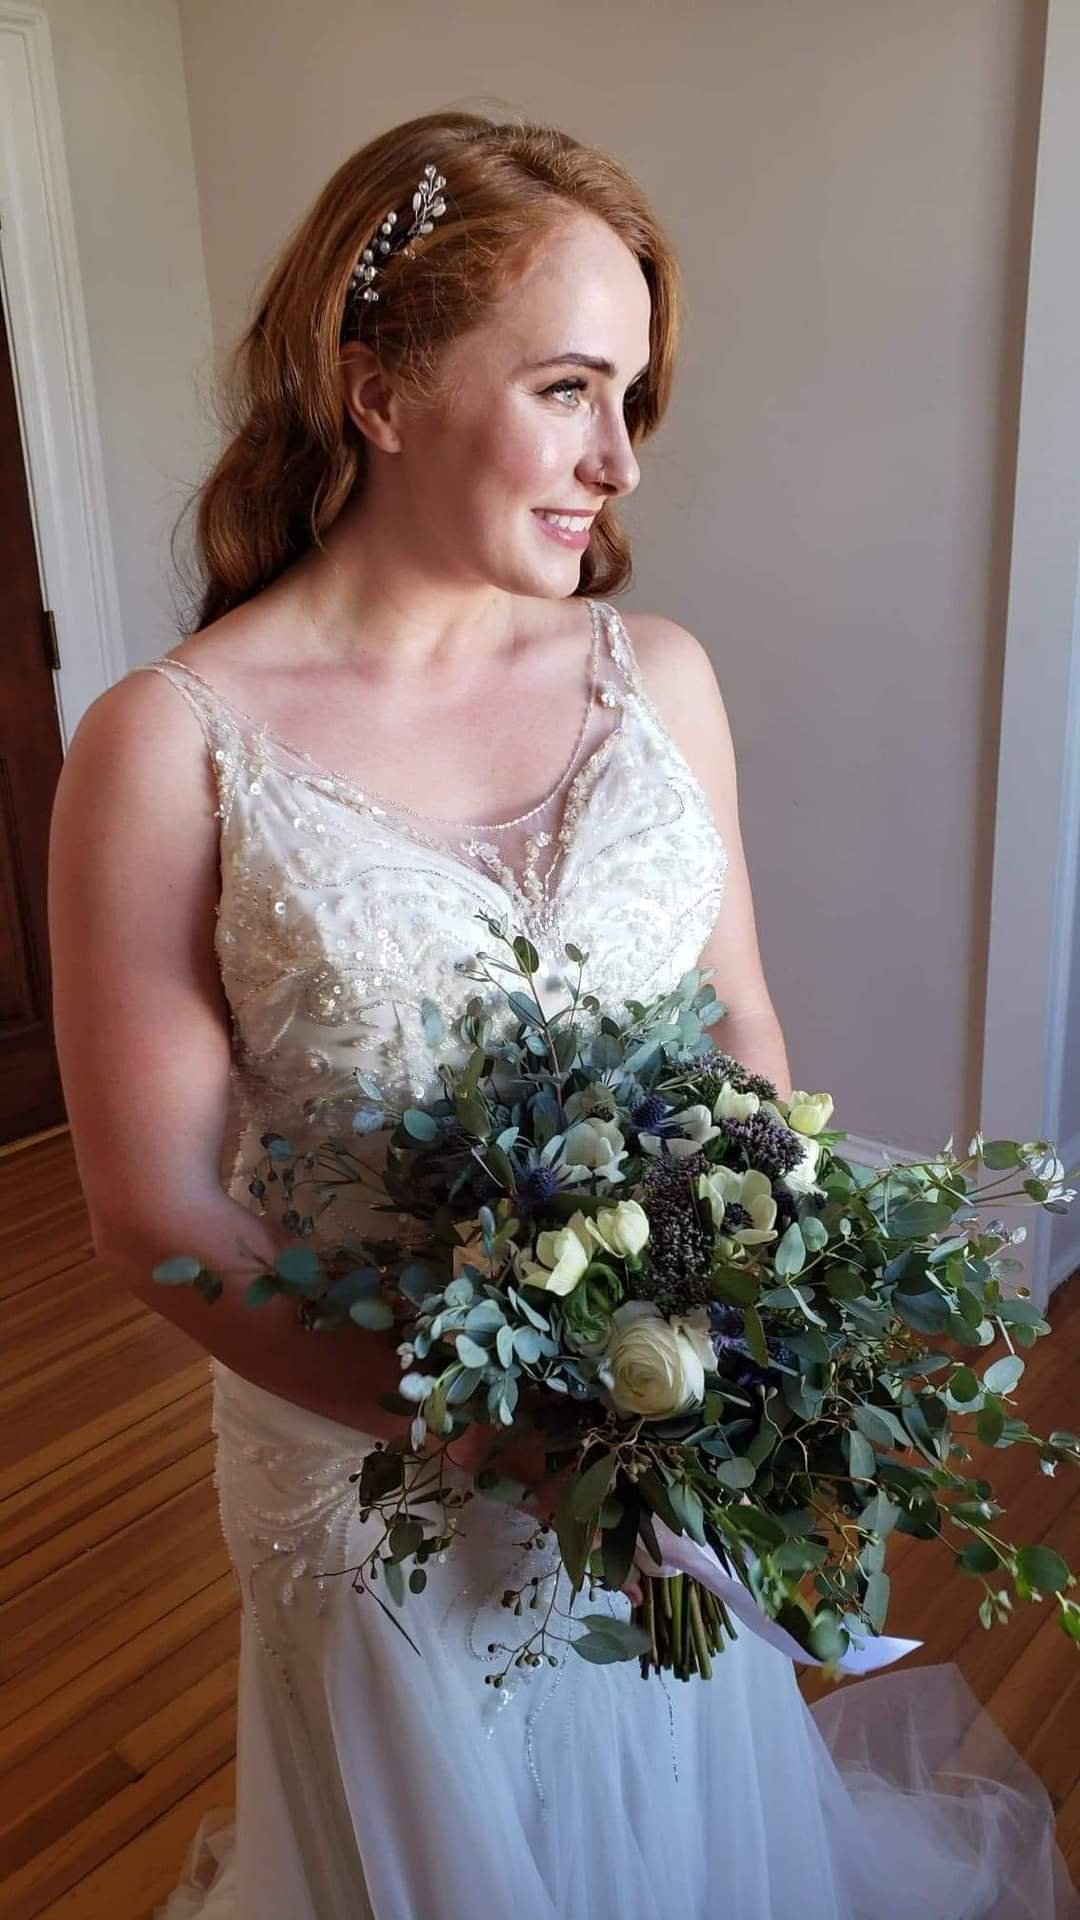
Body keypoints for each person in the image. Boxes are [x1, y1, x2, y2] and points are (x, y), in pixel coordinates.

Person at [47, 109, 1077, 1920]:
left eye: (634, 399)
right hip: (366, 1490)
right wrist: (496, 1435)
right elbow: (158, 1221)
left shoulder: (659, 679)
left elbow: (739, 1021)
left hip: (667, 1453)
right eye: (568, 389)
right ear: (377, 392)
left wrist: (735, 1345)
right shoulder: (166, 747)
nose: (616, 459)